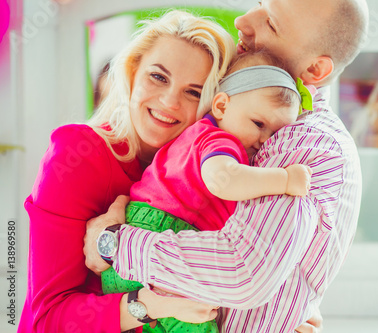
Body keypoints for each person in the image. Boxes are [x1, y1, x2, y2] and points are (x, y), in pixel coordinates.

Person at [85, 0, 369, 331]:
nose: (243, 21)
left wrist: (115, 243)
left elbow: (243, 271)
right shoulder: (241, 121)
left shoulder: (299, 140)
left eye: (271, 24)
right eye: (259, 4)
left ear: (316, 72)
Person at [18, 10, 236, 332]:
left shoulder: (216, 175)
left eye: (194, 92)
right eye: (158, 77)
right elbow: (47, 320)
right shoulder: (76, 155)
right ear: (132, 72)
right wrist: (151, 304)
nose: (169, 101)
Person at [101, 51, 312, 332]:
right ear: (222, 106)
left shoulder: (199, 135)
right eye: (259, 124)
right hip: (161, 232)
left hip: (140, 239)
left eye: (274, 134)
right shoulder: (218, 141)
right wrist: (285, 179)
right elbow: (223, 180)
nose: (264, 140)